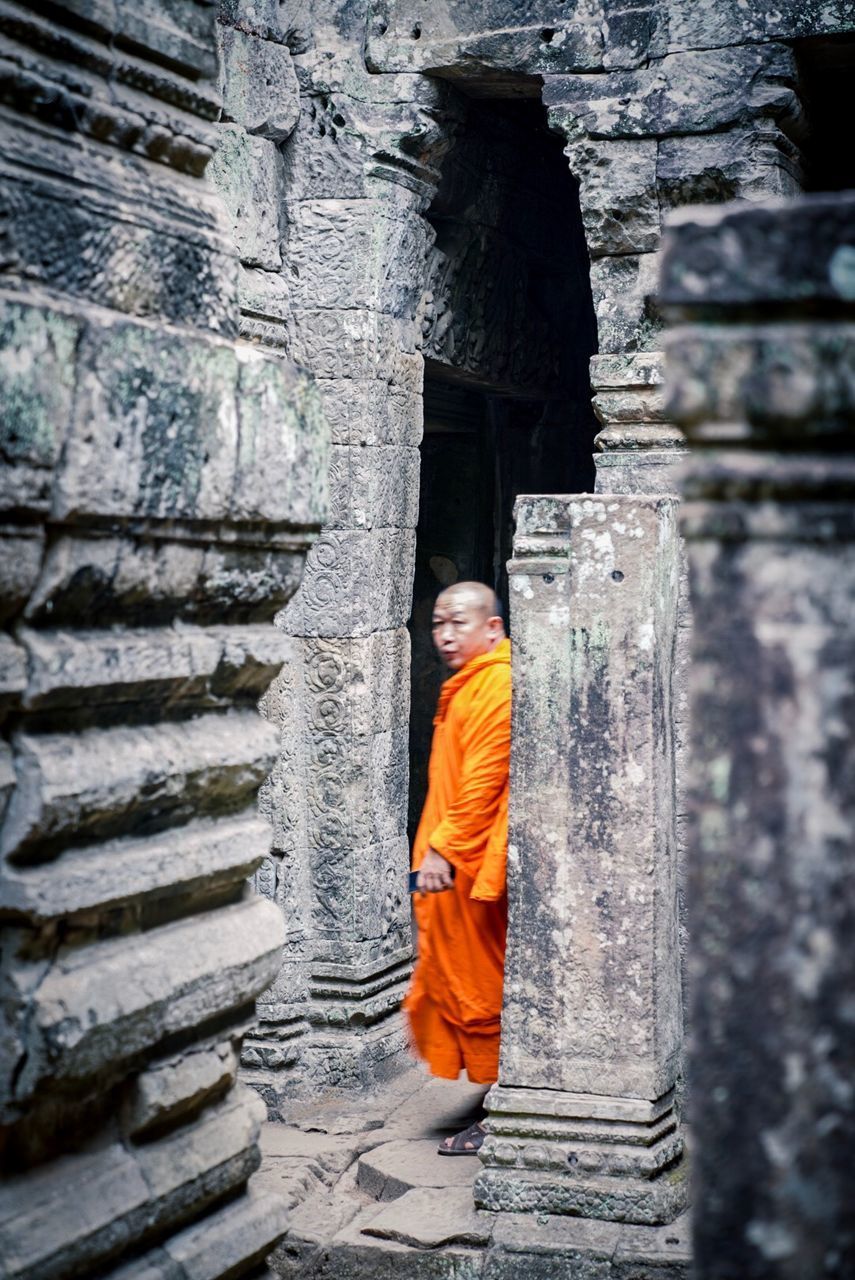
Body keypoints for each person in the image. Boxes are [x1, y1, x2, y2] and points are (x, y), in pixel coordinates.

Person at [404, 580, 511, 1155]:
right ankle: (496, 1088)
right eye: (438, 623)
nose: (444, 635)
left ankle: (507, 1104)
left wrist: (444, 850)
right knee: (458, 978)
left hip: (469, 862)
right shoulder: (468, 684)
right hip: (452, 857)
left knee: (486, 984)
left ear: (492, 628)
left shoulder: (497, 682)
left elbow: (485, 778)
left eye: (458, 623)